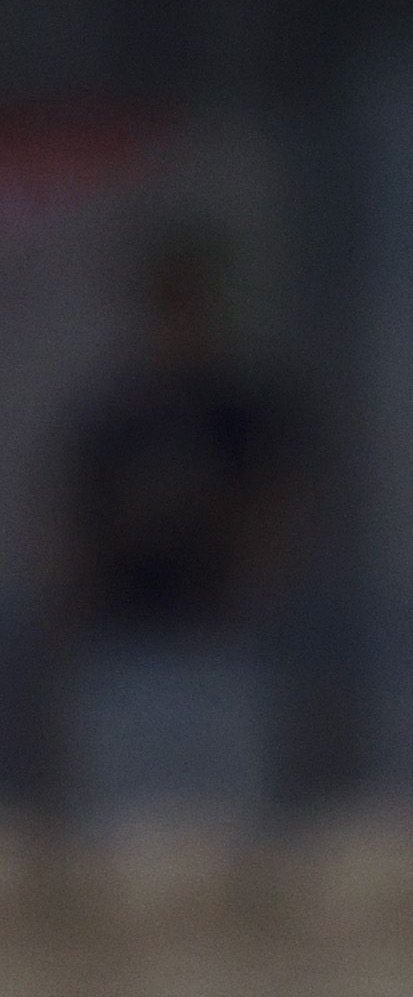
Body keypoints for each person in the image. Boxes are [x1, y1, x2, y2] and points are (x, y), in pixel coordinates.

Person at [49, 229, 305, 816]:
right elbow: (71, 527)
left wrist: (255, 573)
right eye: (168, 304)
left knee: (228, 822)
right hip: (125, 638)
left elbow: (278, 508)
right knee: (123, 824)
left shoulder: (238, 408)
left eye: (189, 304)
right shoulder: (113, 414)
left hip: (216, 635)